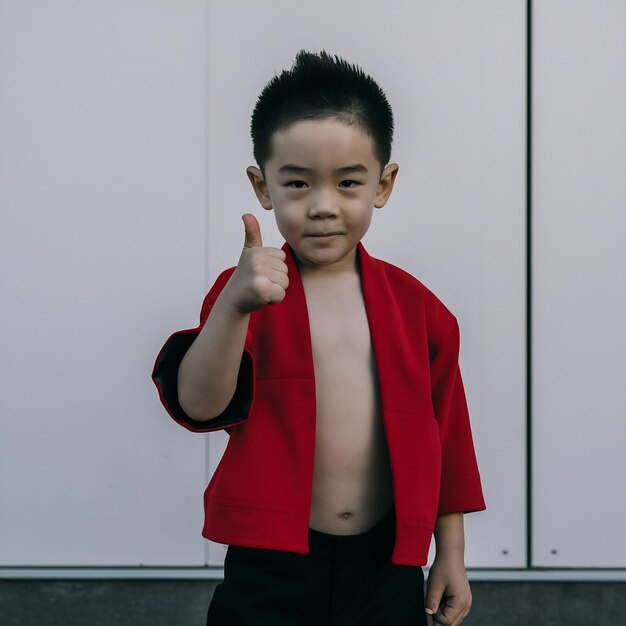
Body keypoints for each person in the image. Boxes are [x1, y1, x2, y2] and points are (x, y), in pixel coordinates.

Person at [152, 49, 486, 626]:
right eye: (298, 183)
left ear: (383, 184)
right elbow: (199, 406)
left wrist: (450, 555)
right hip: (271, 564)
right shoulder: (246, 294)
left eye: (348, 182)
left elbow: (448, 435)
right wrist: (234, 306)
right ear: (263, 186)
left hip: (386, 564)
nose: (324, 206)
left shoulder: (420, 310)